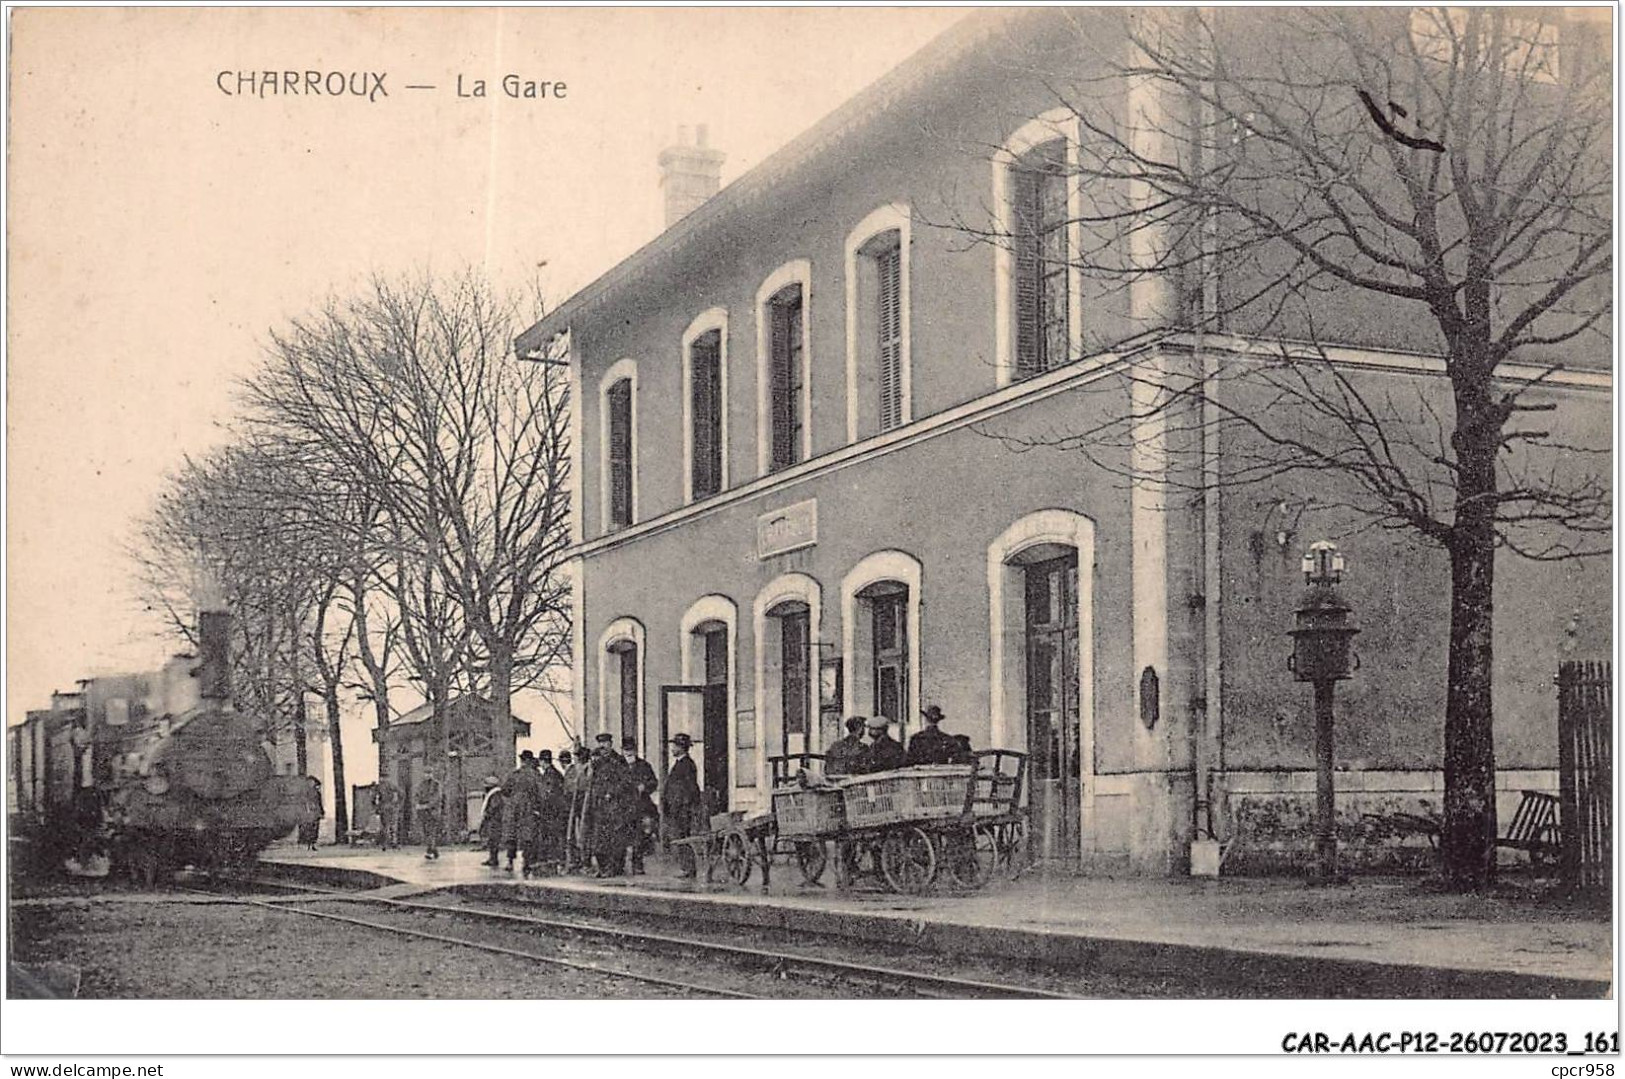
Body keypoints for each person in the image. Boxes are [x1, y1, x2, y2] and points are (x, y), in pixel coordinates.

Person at [582, 733, 635, 877]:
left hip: (615, 807)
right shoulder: (597, 762)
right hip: (599, 807)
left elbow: (625, 782)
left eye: (605, 743)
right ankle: (602, 867)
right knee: (599, 838)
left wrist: (611, 793)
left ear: (611, 744)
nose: (602, 746)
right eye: (600, 743)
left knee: (615, 839)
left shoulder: (619, 761)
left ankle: (614, 868)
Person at [660, 733, 703, 878]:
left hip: (682, 809)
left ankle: (688, 869)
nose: (672, 749)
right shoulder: (680, 763)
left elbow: (690, 788)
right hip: (676, 808)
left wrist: (683, 806)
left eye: (674, 746)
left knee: (683, 838)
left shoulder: (687, 765)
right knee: (680, 838)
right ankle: (686, 867)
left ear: (681, 748)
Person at [501, 750, 546, 876]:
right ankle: (526, 863)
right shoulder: (535, 775)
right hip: (528, 809)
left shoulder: (514, 774)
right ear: (530, 760)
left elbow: (504, 790)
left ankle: (510, 861)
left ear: (522, 761)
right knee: (528, 836)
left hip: (513, 808)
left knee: (512, 834)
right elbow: (542, 794)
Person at [623, 737, 659, 875]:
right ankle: (619, 865)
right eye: (626, 750)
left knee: (639, 835)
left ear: (635, 750)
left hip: (640, 806)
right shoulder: (618, 766)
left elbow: (654, 782)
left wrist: (645, 786)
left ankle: (638, 864)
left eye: (631, 750)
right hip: (623, 806)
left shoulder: (644, 766)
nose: (628, 753)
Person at [535, 749, 568, 875]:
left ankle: (554, 864)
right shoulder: (557, 774)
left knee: (552, 838)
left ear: (544, 762)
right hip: (556, 812)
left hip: (551, 813)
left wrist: (540, 809)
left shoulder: (549, 775)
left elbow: (547, 795)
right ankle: (556, 862)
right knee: (555, 838)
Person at [477, 775, 506, 867]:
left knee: (493, 840)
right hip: (495, 820)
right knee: (492, 840)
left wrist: (487, 814)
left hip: (494, 821)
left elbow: (494, 807)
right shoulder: (496, 794)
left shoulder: (495, 795)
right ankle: (492, 858)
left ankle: (493, 859)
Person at [416, 770, 445, 860]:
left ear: (432, 774)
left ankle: (429, 851)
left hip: (433, 811)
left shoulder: (436, 785)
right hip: (423, 811)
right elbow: (417, 795)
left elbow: (437, 797)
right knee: (425, 831)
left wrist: (427, 805)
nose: (427, 775)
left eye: (429, 773)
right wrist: (417, 804)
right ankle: (434, 850)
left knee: (431, 830)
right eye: (425, 773)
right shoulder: (421, 785)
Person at [376, 779, 402, 850]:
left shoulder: (380, 787)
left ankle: (386, 843)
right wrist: (398, 804)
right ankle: (393, 842)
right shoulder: (392, 785)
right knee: (392, 825)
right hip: (391, 808)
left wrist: (378, 807)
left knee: (386, 826)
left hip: (386, 808)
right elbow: (401, 794)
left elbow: (376, 798)